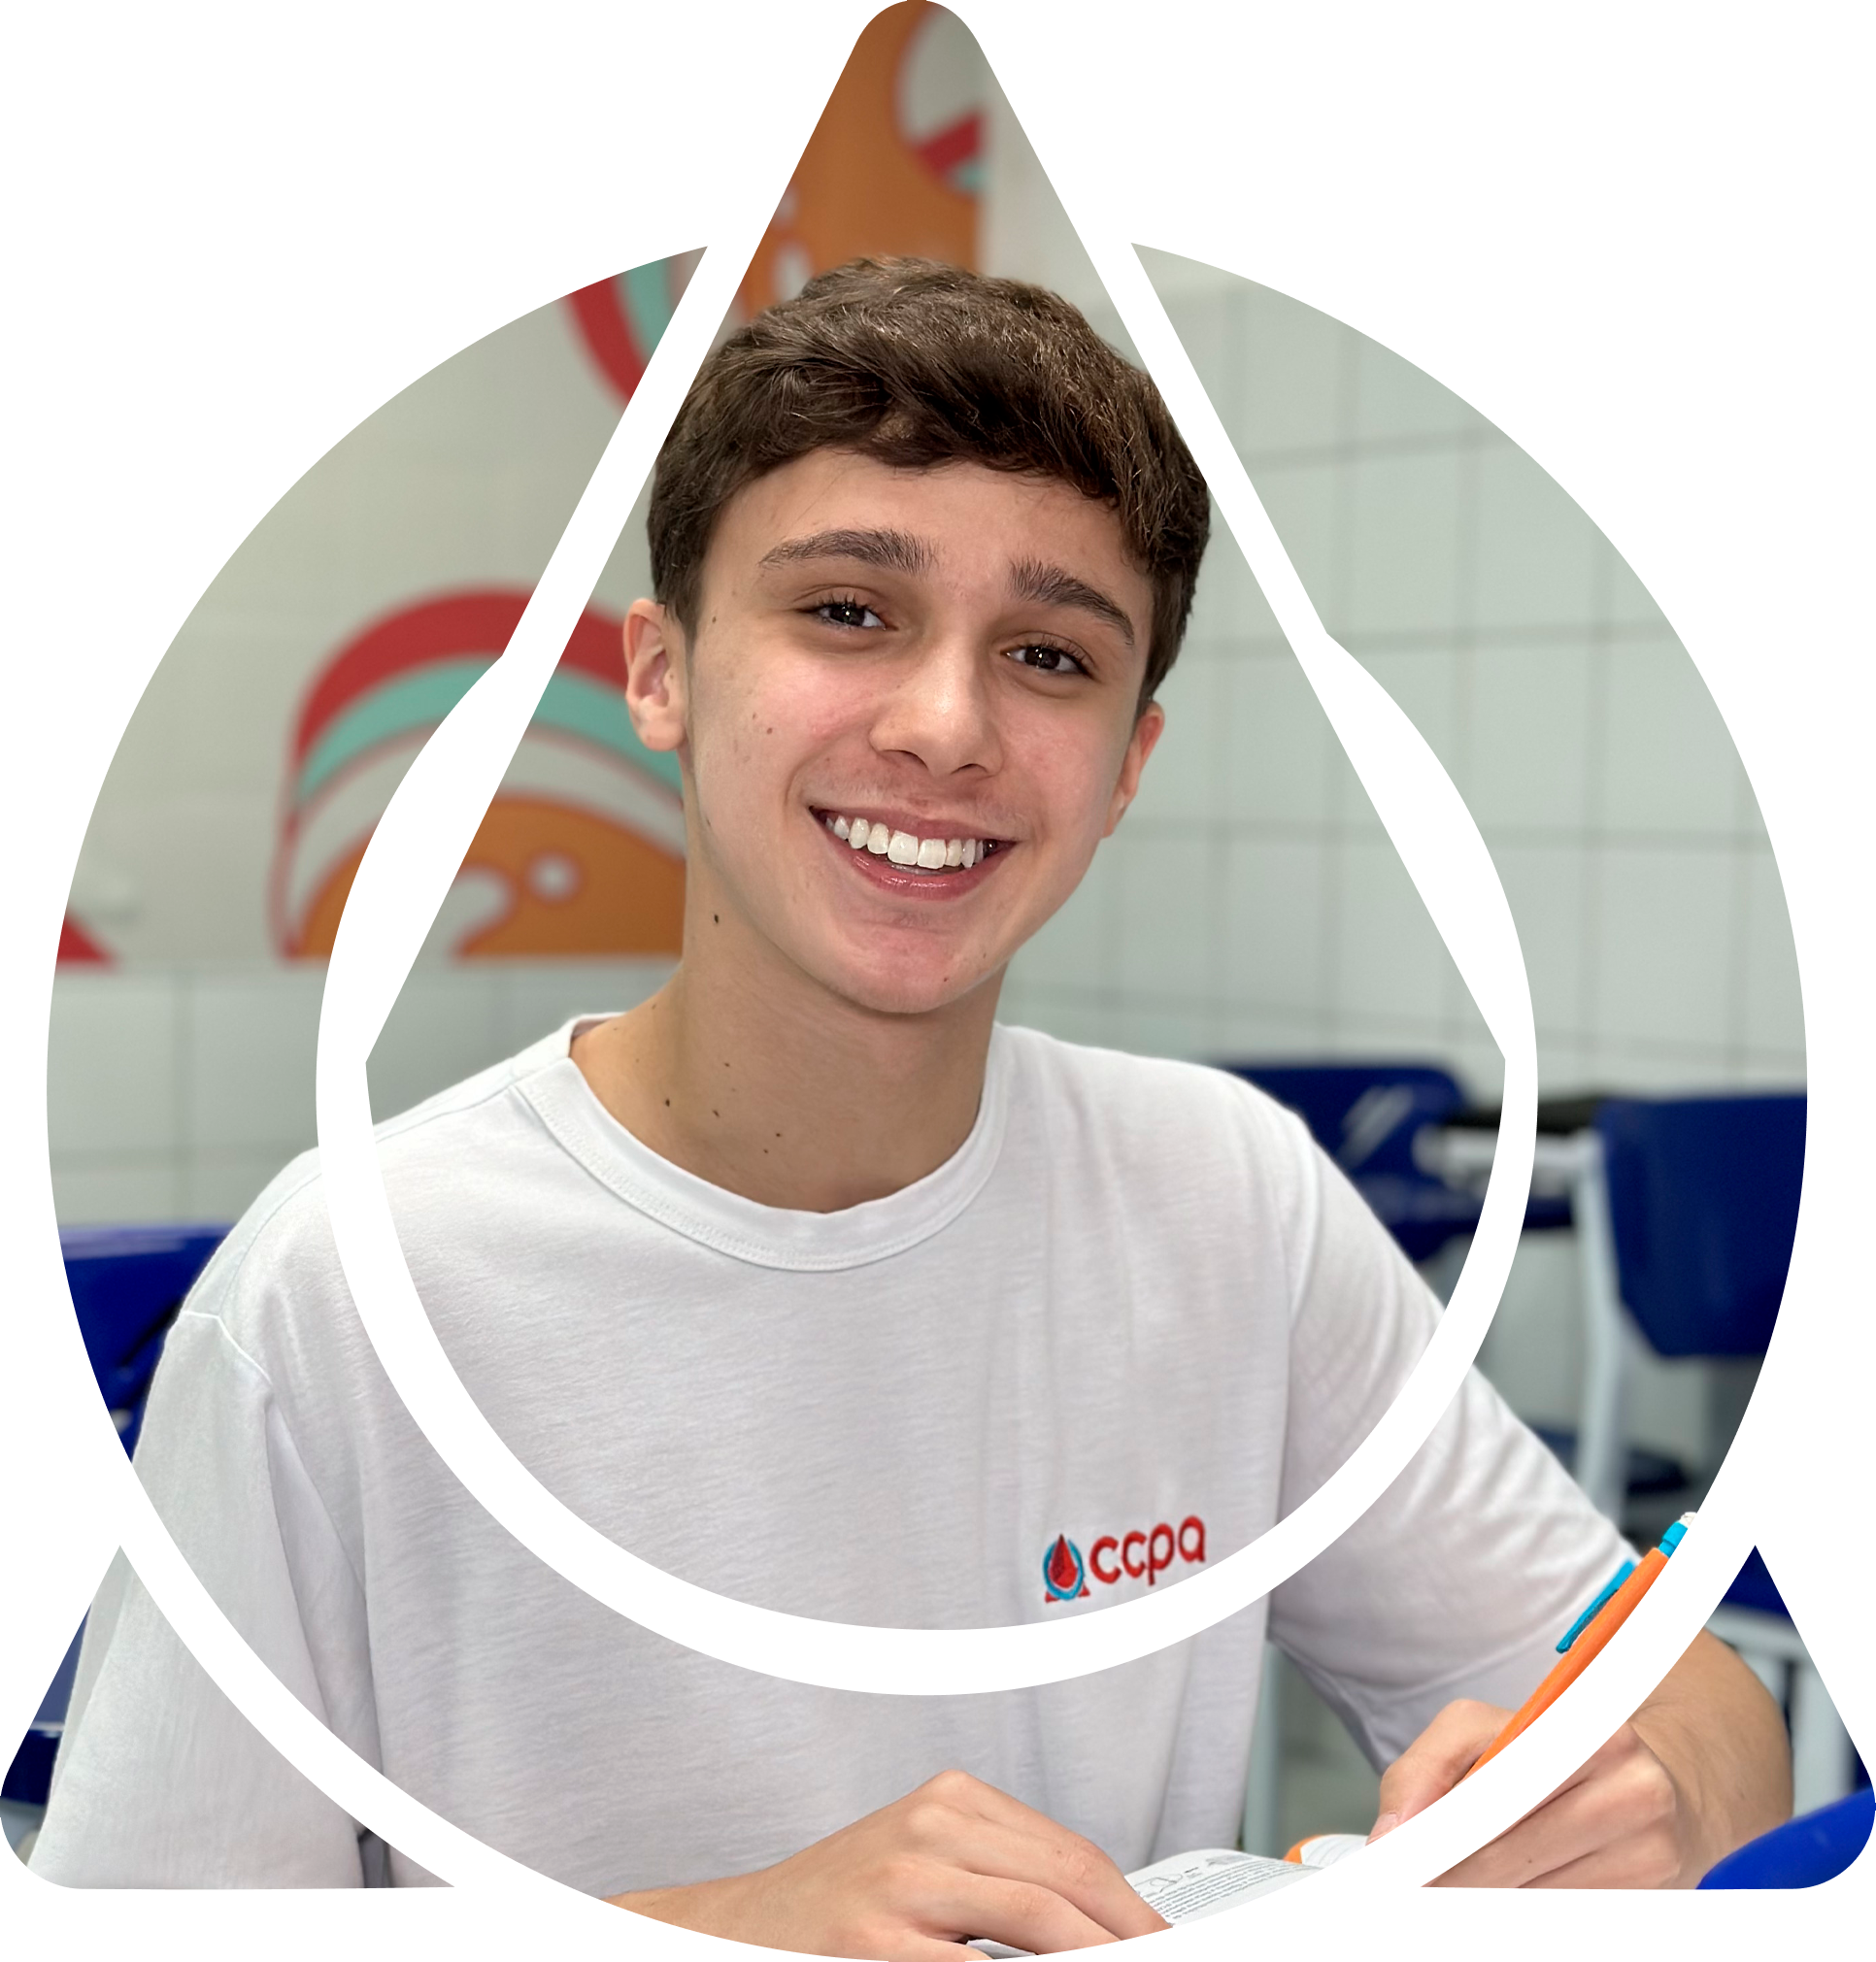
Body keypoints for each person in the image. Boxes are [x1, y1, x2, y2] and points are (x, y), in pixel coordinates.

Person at [31, 260, 1790, 1938]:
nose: (947, 726)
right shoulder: (342, 1297)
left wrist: (1654, 1794)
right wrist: (713, 1935)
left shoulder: (1229, 1201)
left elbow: (1706, 1707)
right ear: (660, 670)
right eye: (848, 613)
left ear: (1127, 765)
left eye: (1051, 656)